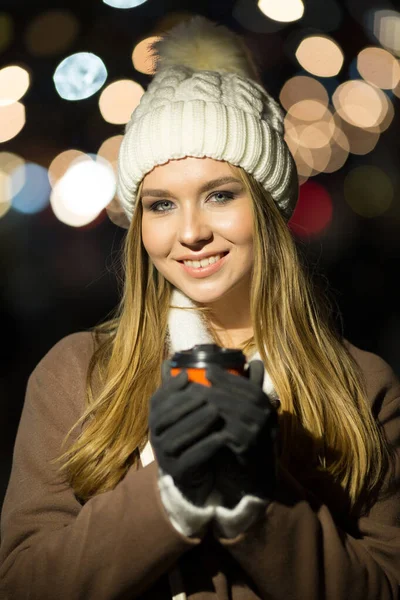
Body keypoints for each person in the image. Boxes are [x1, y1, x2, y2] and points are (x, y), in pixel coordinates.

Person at [1, 15, 399, 600]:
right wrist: (170, 495)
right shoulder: (78, 374)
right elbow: (22, 584)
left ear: (266, 206)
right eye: (161, 205)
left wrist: (256, 501)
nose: (189, 232)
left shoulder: (362, 386)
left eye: (219, 195)